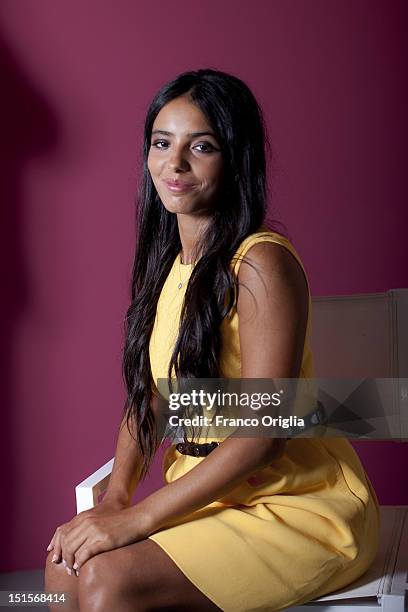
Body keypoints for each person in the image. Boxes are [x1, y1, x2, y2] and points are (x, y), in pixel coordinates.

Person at [45, 68, 380, 611]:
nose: (173, 164)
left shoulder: (261, 263)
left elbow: (263, 435)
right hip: (213, 500)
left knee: (110, 581)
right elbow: (149, 402)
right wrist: (117, 499)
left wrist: (135, 521)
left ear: (235, 159)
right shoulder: (167, 268)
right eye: (161, 143)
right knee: (65, 565)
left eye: (200, 146)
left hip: (296, 504)